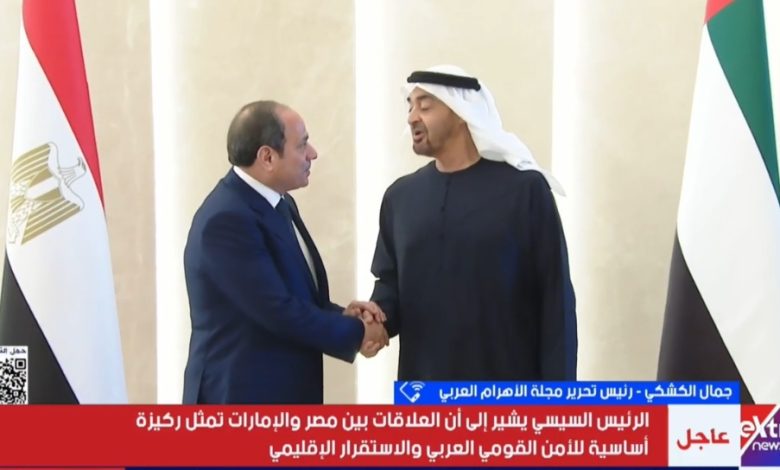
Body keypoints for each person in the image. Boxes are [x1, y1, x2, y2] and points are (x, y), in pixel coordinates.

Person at [370, 65, 577, 381]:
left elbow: (555, 300)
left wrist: (558, 398)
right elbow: (390, 287)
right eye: (410, 106)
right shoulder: (400, 198)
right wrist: (372, 321)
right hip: (425, 393)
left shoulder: (524, 191)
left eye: (425, 106)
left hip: (508, 392)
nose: (412, 117)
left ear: (460, 113)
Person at [183, 100, 388, 404]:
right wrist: (358, 332)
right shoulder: (226, 219)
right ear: (267, 157)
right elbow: (276, 310)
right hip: (240, 399)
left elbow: (292, 296)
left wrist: (342, 314)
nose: (313, 153)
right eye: (302, 145)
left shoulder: (279, 202)